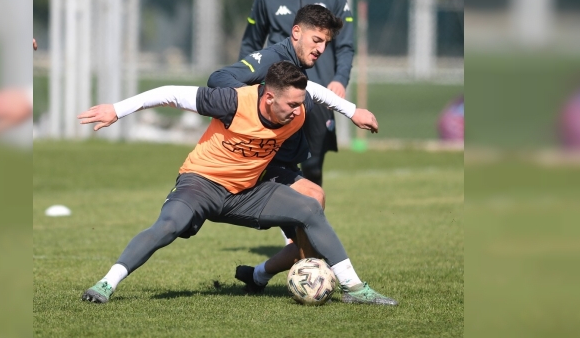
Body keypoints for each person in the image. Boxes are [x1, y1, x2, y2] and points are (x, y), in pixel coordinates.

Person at [77, 62, 397, 306]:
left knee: (311, 208)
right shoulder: (230, 102)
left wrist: (353, 112)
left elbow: (314, 90)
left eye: (301, 103)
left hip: (247, 192)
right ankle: (107, 283)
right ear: (269, 97)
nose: (299, 111)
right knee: (169, 226)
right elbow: (169, 93)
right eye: (292, 105)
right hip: (202, 183)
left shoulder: (295, 102)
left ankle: (354, 288)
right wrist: (115, 111)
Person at [209, 4, 354, 292]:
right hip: (264, 165)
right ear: (296, 32)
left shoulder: (296, 67)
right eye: (317, 40)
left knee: (306, 244)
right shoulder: (273, 59)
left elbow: (313, 92)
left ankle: (258, 276)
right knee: (314, 204)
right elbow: (219, 79)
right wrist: (260, 105)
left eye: (326, 42)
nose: (322, 49)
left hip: (286, 165)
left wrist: (352, 111)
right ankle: (346, 286)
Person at [238, 0, 355, 189]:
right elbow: (251, 44)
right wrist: (246, 85)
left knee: (313, 166)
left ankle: (307, 226)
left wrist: (339, 79)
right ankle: (289, 227)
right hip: (279, 93)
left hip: (319, 94)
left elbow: (346, 45)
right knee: (275, 164)